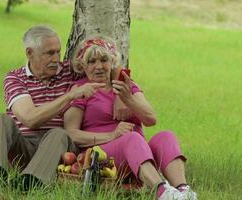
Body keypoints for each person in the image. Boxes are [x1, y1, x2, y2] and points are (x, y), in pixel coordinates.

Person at [0, 25, 114, 191]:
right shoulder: (15, 78)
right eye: (50, 53)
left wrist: (123, 94)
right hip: (24, 145)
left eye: (58, 52)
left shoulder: (69, 71)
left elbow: (105, 66)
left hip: (58, 149)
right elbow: (30, 119)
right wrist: (70, 96)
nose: (57, 58)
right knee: (0, 119)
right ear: (30, 53)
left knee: (59, 133)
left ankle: (29, 184)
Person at [64, 37, 197, 200]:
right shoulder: (81, 90)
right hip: (103, 157)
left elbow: (151, 119)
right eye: (92, 61)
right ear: (83, 65)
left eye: (104, 60)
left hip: (139, 154)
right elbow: (71, 134)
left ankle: (183, 191)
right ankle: (162, 192)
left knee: (166, 136)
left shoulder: (124, 84)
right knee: (131, 138)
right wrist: (112, 135)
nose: (99, 66)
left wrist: (128, 99)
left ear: (112, 61)